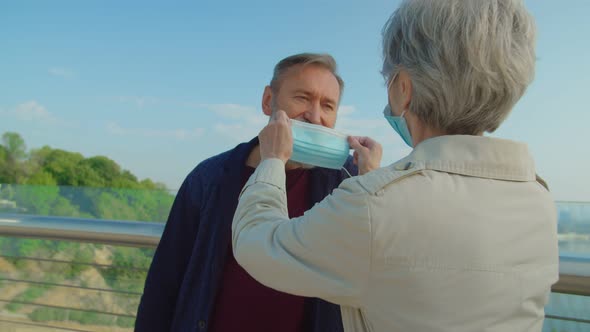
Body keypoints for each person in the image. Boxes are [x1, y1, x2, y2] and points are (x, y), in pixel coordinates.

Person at [232, 1, 559, 331]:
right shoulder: (539, 201)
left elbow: (258, 244)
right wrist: (374, 182)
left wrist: (273, 159)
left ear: (403, 88)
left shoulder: (373, 206)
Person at [135, 53, 356, 332]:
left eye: (328, 106)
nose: (315, 116)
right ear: (268, 101)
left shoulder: (347, 182)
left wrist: (370, 180)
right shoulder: (209, 178)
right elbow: (164, 281)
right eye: (302, 98)